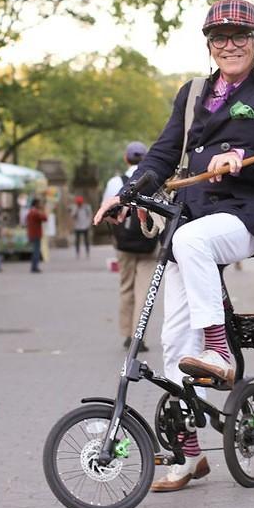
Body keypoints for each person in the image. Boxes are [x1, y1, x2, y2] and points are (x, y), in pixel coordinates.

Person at [93, 0, 254, 492]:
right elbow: (163, 154)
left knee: (191, 241)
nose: (229, 45)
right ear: (209, 45)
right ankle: (189, 456)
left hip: (246, 218)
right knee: (174, 343)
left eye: (239, 36)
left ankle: (220, 352)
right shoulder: (192, 93)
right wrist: (127, 193)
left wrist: (244, 158)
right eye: (219, 38)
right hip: (190, 220)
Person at [102, 141, 158, 352]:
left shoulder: (115, 182)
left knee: (126, 287)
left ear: (126, 158)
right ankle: (138, 337)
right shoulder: (154, 180)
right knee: (144, 290)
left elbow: (107, 210)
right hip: (148, 240)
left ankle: (126, 334)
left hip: (123, 243)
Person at [26, 198, 47, 273]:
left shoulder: (30, 212)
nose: (40, 205)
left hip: (32, 234)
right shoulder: (35, 212)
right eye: (39, 203)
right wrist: (43, 210)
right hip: (36, 234)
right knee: (36, 251)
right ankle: (35, 267)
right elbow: (45, 218)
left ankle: (33, 266)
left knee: (34, 251)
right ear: (36, 204)